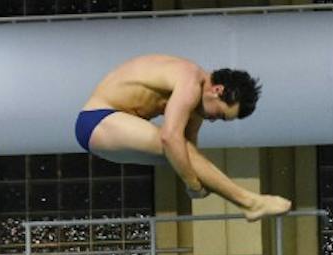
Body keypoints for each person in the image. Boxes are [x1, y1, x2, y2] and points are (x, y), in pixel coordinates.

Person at [76, 54, 292, 222]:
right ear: (217, 90)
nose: (214, 120)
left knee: (182, 152)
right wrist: (193, 184)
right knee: (175, 145)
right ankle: (250, 202)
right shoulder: (190, 80)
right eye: (220, 114)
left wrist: (194, 180)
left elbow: (189, 151)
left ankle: (250, 203)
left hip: (110, 128)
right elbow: (170, 138)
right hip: (96, 120)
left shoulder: (197, 104)